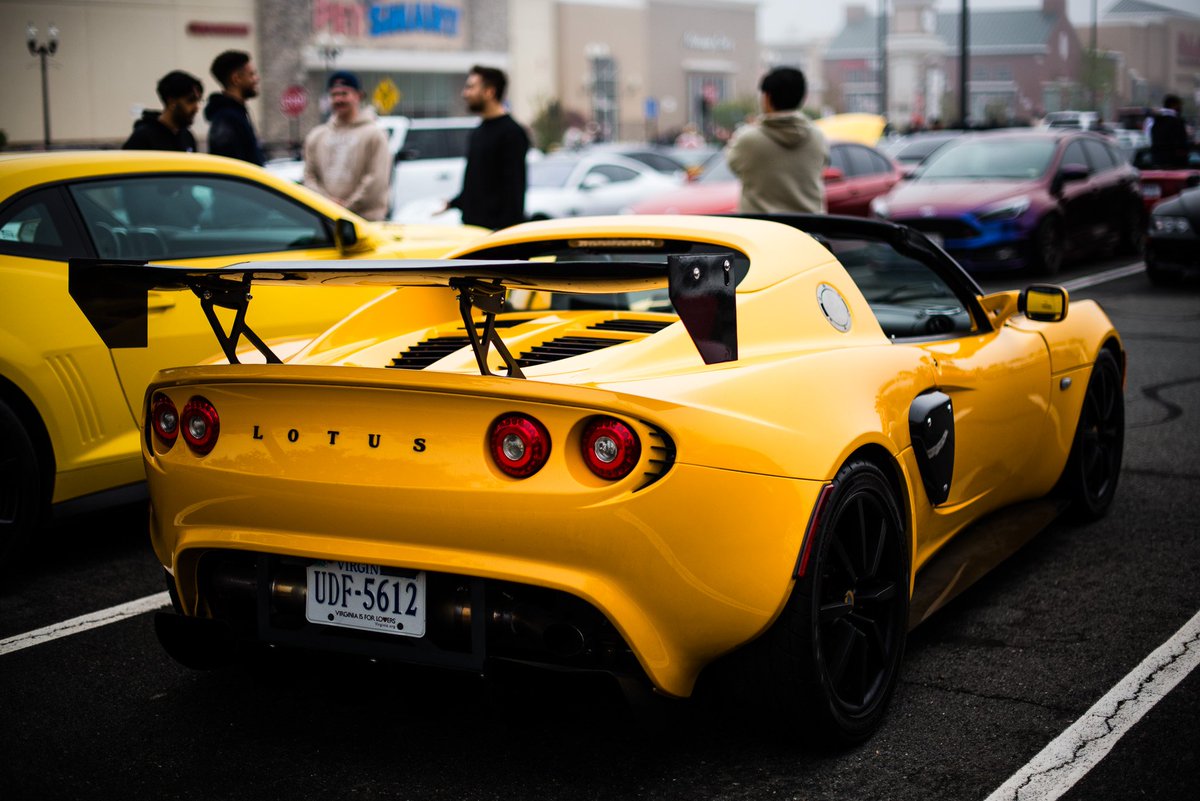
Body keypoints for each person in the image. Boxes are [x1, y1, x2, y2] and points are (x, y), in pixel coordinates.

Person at [726, 66, 829, 214]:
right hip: (808, 230)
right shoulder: (818, 137)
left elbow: (733, 165)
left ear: (766, 97)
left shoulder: (747, 139)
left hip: (762, 230)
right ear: (803, 97)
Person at [302, 70, 391, 221]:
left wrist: (345, 209)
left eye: (344, 93)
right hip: (326, 222)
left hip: (365, 223)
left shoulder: (374, 135)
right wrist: (327, 203)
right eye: (334, 95)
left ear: (359, 96)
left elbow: (376, 181)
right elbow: (309, 177)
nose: (338, 99)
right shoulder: (317, 136)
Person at [448, 65, 530, 229]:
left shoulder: (512, 133)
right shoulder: (477, 132)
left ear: (489, 92)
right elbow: (477, 184)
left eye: (471, 87)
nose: (465, 94)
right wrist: (453, 203)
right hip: (472, 232)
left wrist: (504, 237)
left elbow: (514, 192)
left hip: (495, 239)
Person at [205, 50, 264, 165]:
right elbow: (229, 166)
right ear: (236, 79)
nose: (257, 79)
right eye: (251, 74)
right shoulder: (226, 119)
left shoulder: (237, 114)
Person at [122, 71, 204, 152]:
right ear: (172, 102)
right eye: (190, 101)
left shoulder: (187, 137)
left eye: (198, 101)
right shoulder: (143, 138)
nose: (196, 108)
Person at [1149, 94, 1189, 168]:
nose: (1181, 108)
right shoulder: (1177, 122)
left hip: (1157, 164)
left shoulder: (1155, 121)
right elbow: (1182, 144)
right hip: (1175, 166)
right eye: (1179, 105)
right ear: (1173, 105)